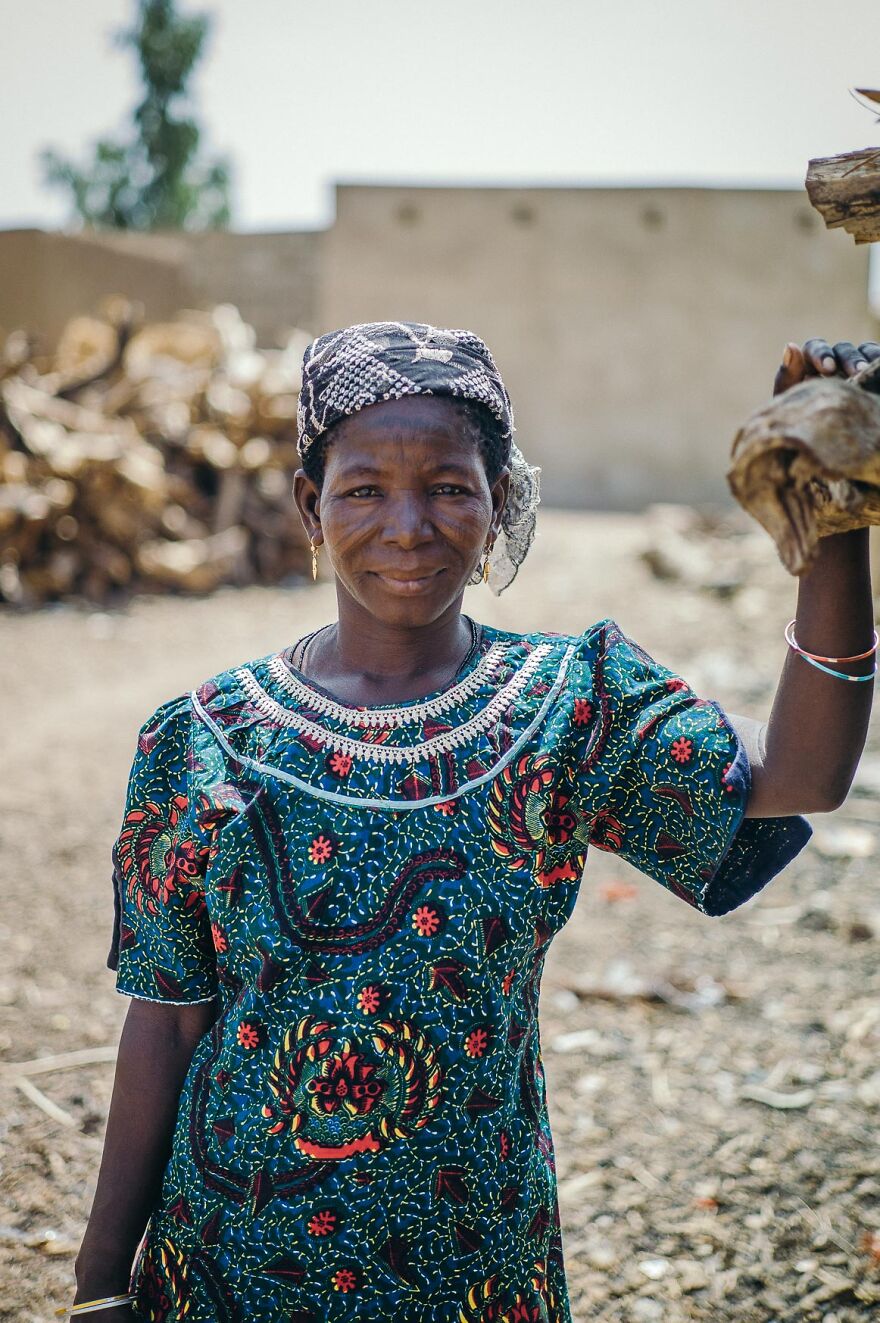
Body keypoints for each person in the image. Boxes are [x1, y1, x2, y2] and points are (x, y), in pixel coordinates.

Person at [65, 322, 876, 1323]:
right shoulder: (200, 740)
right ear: (311, 509)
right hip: (233, 1264)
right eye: (364, 488)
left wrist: (832, 527)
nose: (407, 524)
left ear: (498, 506)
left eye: (450, 486)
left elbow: (802, 775)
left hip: (474, 1266)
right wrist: (99, 1282)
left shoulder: (569, 703)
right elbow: (168, 1018)